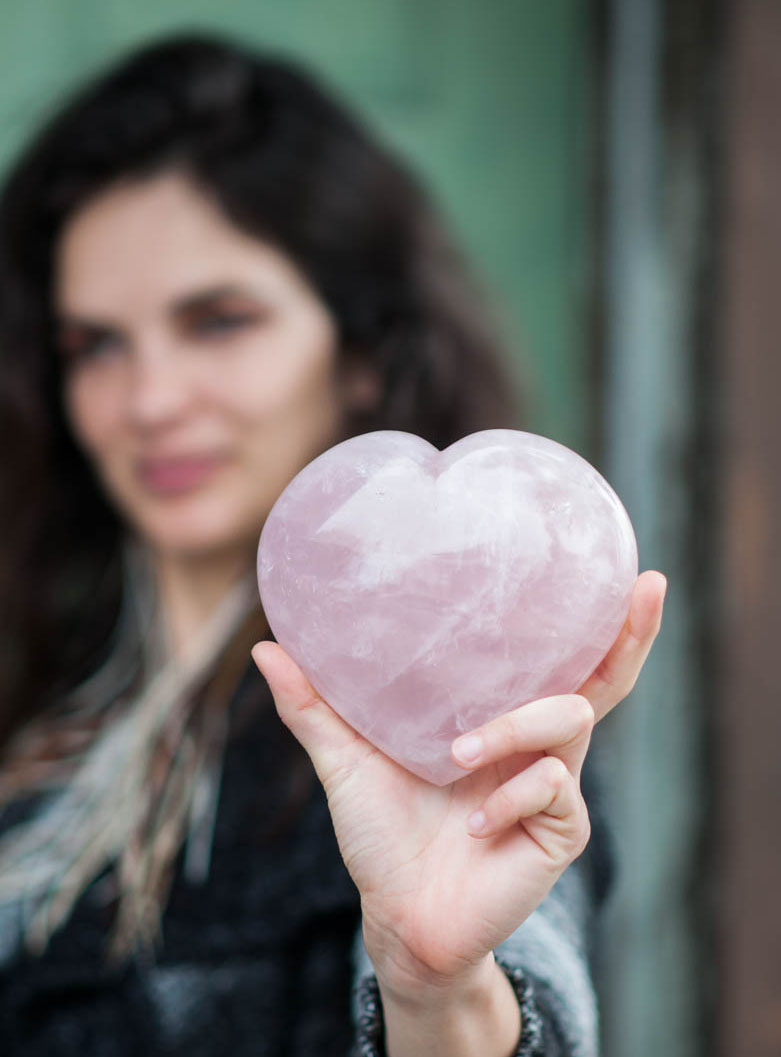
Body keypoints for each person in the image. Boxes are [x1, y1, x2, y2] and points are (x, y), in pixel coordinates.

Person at [0, 33, 665, 1057]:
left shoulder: (464, 705)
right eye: (95, 345)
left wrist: (436, 987)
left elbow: (528, 996)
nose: (149, 400)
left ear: (360, 352)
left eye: (217, 321)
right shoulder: (36, 679)